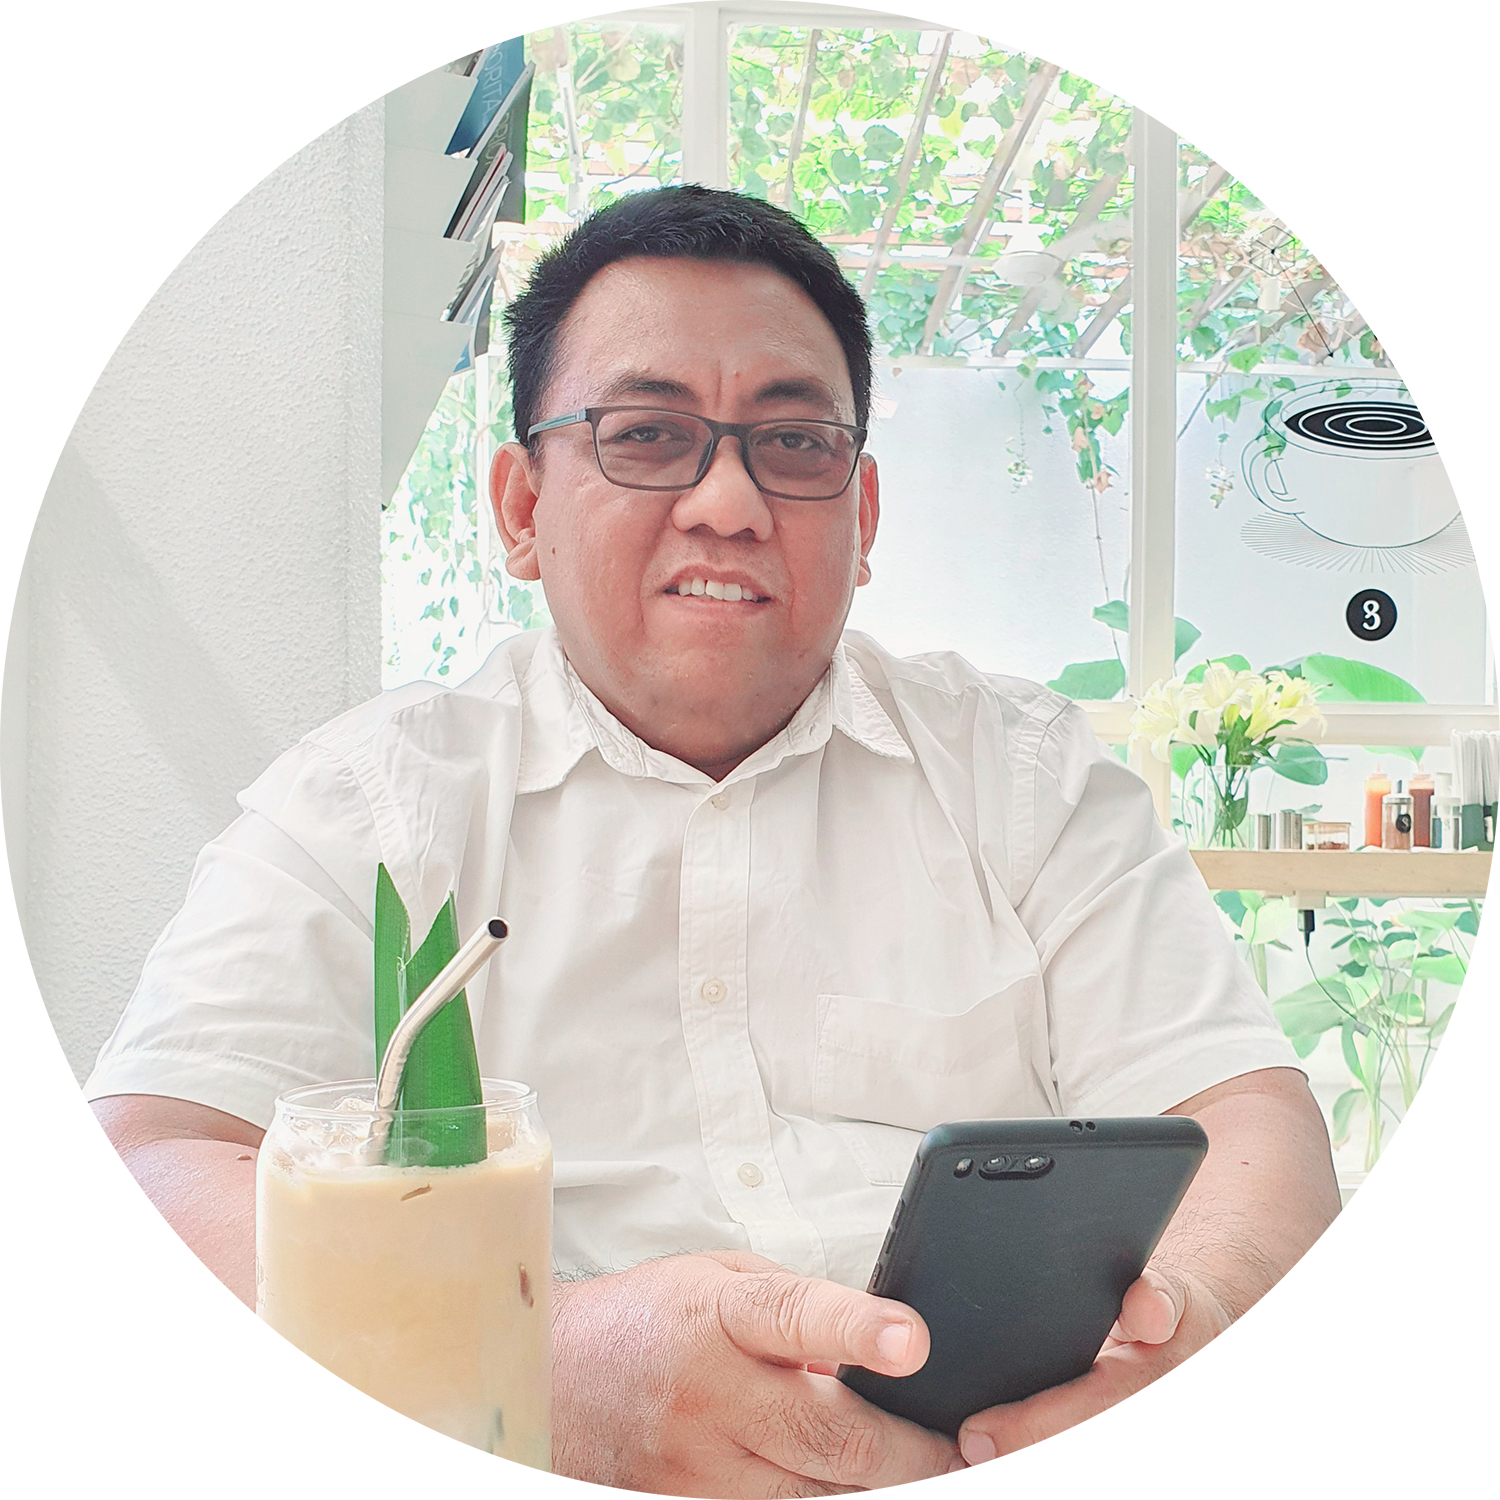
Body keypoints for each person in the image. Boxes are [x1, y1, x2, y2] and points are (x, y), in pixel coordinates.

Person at [88, 185, 1339, 1495]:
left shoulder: (1029, 778)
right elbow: (152, 1162)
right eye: (646, 436)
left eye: (794, 444)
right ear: (519, 506)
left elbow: (1245, 1114)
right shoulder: (368, 805)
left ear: (863, 517)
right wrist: (533, 1366)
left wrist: (1178, 1339)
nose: (730, 502)